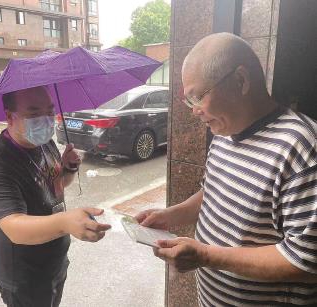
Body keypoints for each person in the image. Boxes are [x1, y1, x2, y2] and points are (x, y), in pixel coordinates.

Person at [136, 33, 317, 305]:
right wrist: (171, 215)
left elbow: (305, 261)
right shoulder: (223, 133)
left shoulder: (302, 147)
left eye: (198, 97)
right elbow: (213, 193)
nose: (194, 110)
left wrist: (207, 255)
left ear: (240, 81)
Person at [0, 85, 111, 307]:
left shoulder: (43, 142)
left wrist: (68, 168)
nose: (46, 120)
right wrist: (65, 222)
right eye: (34, 113)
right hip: (24, 276)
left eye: (50, 111)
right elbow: (14, 228)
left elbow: (56, 185)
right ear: (10, 117)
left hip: (54, 261)